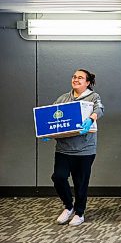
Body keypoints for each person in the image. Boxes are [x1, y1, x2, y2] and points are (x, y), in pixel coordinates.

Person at [45, 69, 104, 226]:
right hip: (64, 148)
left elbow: (99, 109)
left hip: (85, 149)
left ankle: (79, 212)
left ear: (88, 82)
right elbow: (51, 115)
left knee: (80, 182)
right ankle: (68, 206)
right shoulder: (63, 98)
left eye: (80, 78)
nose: (76, 79)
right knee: (58, 177)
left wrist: (91, 119)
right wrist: (47, 132)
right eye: (74, 77)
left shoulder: (93, 97)